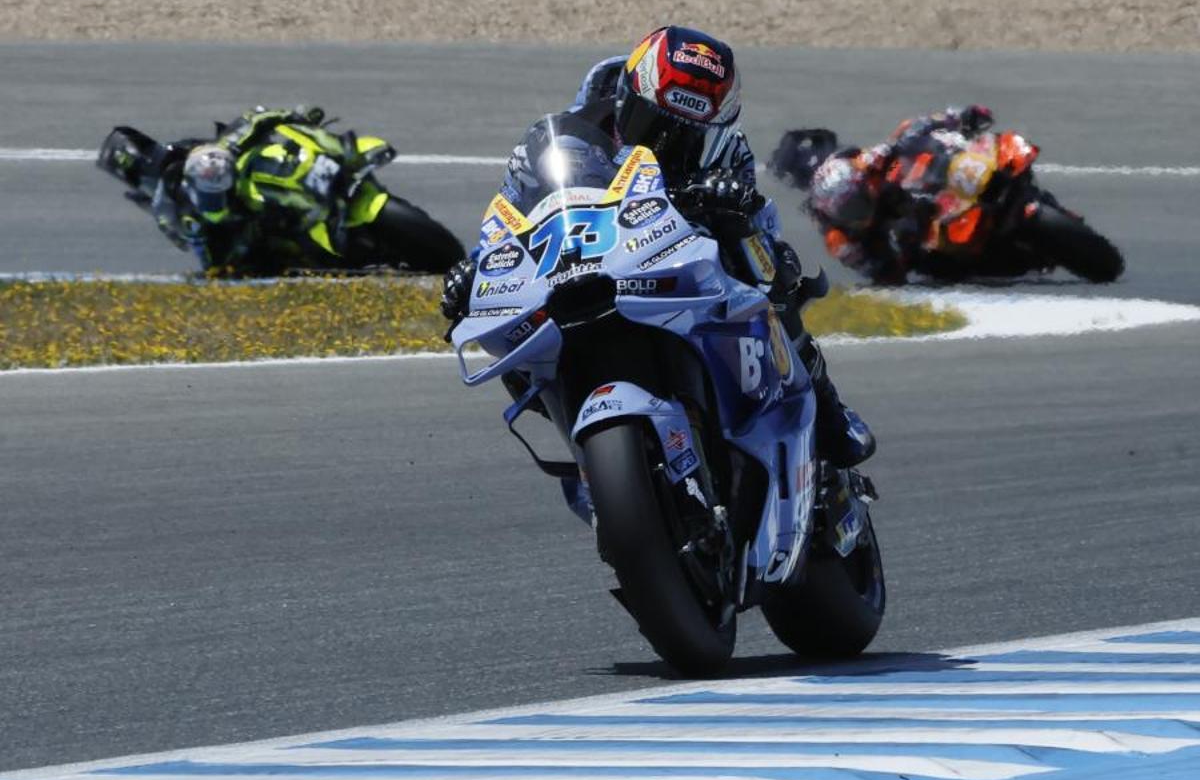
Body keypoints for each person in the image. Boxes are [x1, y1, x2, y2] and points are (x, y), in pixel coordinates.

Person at [442, 26, 874, 468]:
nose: (666, 145)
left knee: (775, 270)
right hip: (598, 256)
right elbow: (522, 210)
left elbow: (758, 217)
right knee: (505, 321)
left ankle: (829, 414)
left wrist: (729, 203)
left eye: (687, 137)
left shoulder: (728, 149)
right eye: (653, 126)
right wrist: (478, 266)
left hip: (686, 256)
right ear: (627, 101)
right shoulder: (575, 133)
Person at [153, 106, 463, 274]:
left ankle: (340, 167)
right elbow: (214, 258)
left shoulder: (233, 144)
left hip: (302, 174)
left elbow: (260, 116)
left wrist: (296, 118)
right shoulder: (205, 214)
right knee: (275, 258)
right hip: (282, 232)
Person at [803, 105, 995, 284]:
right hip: (899, 239)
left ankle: (980, 152)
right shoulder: (839, 241)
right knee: (936, 265)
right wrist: (902, 253)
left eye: (856, 204)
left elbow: (907, 131)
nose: (858, 213)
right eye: (849, 211)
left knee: (922, 147)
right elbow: (881, 274)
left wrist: (957, 117)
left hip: (905, 191)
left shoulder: (869, 163)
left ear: (862, 182)